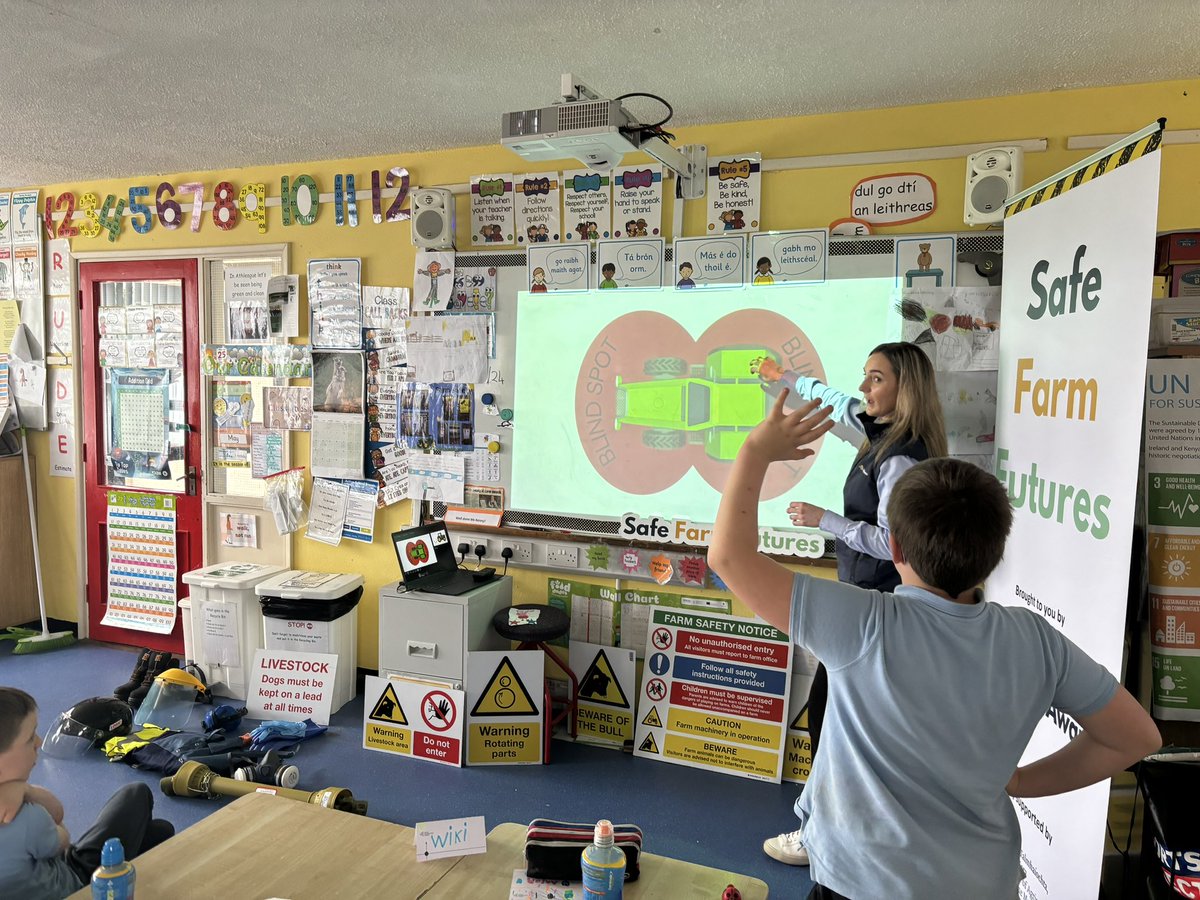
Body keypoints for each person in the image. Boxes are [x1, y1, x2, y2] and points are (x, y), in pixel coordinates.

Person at [708, 400, 1161, 900]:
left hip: (862, 886)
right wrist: (1019, 783)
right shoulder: (1034, 639)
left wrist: (754, 451)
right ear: (994, 553)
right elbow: (1135, 736)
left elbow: (729, 555)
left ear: (895, 549)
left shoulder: (863, 624)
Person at [755, 341, 948, 866]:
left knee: (827, 715)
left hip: (880, 604)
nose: (864, 388)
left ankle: (820, 833)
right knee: (836, 717)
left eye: (876, 379)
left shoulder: (902, 457)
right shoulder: (880, 433)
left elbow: (895, 544)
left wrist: (826, 521)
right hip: (867, 601)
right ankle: (830, 829)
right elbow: (836, 400)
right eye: (866, 377)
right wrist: (784, 376)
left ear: (903, 389)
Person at [0, 687, 175, 899]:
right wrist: (27, 791)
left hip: (45, 875)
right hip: (78, 880)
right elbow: (62, 834)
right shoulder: (26, 818)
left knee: (159, 830)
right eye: (30, 738)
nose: (38, 742)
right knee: (137, 793)